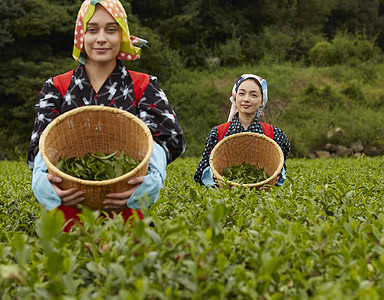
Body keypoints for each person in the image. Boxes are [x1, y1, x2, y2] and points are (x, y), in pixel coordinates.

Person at [27, 0, 186, 232]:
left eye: (111, 29)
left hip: (126, 209)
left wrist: (152, 178)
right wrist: (42, 180)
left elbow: (168, 138)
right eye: (92, 30)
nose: (101, 38)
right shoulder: (57, 87)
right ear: (81, 35)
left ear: (122, 35)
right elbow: (41, 143)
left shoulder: (143, 85)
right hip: (69, 209)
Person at [194, 74, 290, 186]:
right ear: (235, 98)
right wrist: (212, 176)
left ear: (262, 101)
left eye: (253, 95)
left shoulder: (275, 135)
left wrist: (278, 175)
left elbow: (280, 167)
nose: (246, 99)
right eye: (241, 93)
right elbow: (201, 173)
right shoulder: (218, 133)